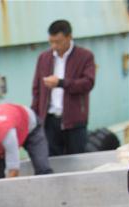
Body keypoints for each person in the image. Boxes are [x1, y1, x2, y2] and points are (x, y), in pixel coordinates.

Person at [32, 20, 96, 157]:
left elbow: (88, 83)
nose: (54, 46)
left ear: (69, 37)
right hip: (49, 120)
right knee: (53, 161)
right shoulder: (44, 58)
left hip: (75, 121)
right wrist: (35, 116)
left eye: (58, 42)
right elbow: (36, 89)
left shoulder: (85, 56)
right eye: (51, 41)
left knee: (78, 160)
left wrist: (61, 83)